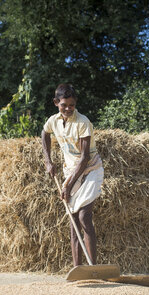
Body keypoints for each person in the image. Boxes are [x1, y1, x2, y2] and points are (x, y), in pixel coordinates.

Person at [41, 84, 104, 267]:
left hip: (91, 168)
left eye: (71, 105)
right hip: (71, 170)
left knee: (84, 216)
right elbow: (45, 133)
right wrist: (48, 160)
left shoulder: (83, 122)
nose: (68, 108)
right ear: (56, 103)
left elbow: (84, 157)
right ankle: (78, 269)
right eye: (64, 105)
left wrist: (67, 186)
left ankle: (93, 269)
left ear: (75, 104)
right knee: (73, 219)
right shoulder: (53, 121)